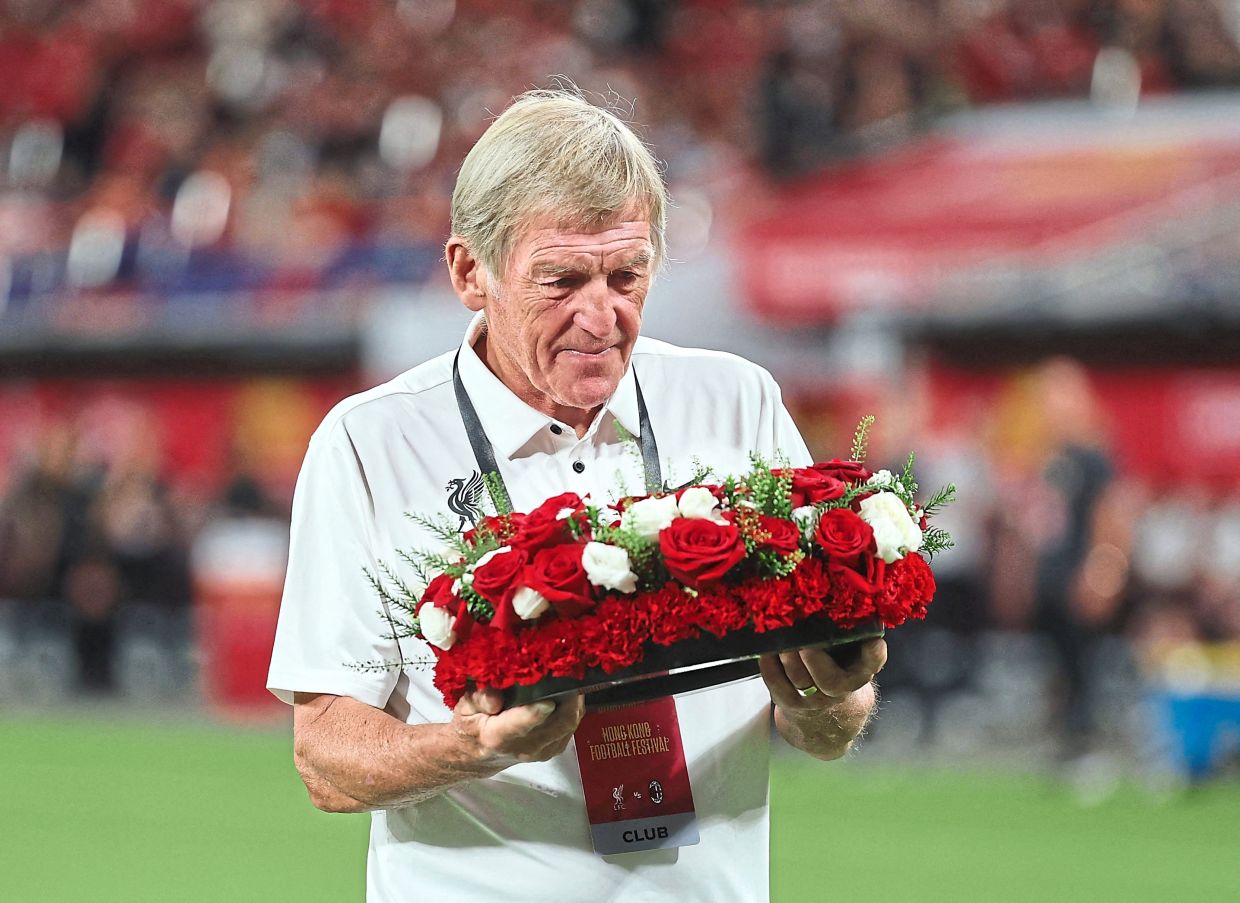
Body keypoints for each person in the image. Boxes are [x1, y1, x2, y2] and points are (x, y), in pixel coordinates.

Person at [268, 88, 886, 902]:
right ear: (468, 272)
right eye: (561, 280)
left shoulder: (737, 403)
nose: (602, 316)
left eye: (627, 274)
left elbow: (824, 721)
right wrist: (477, 744)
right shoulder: (370, 443)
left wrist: (834, 698)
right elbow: (326, 755)